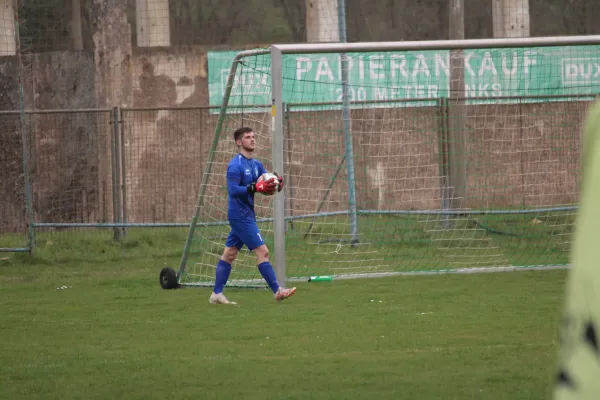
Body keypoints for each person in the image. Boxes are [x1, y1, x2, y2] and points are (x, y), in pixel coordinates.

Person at [209, 127, 297, 305]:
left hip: (247, 214)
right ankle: (278, 291)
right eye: (248, 137)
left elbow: (265, 181)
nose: (252, 140)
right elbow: (233, 190)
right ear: (239, 142)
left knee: (230, 254)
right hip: (240, 216)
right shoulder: (235, 165)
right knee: (263, 251)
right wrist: (254, 188)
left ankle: (216, 294)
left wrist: (276, 182)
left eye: (253, 137)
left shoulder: (256, 164)